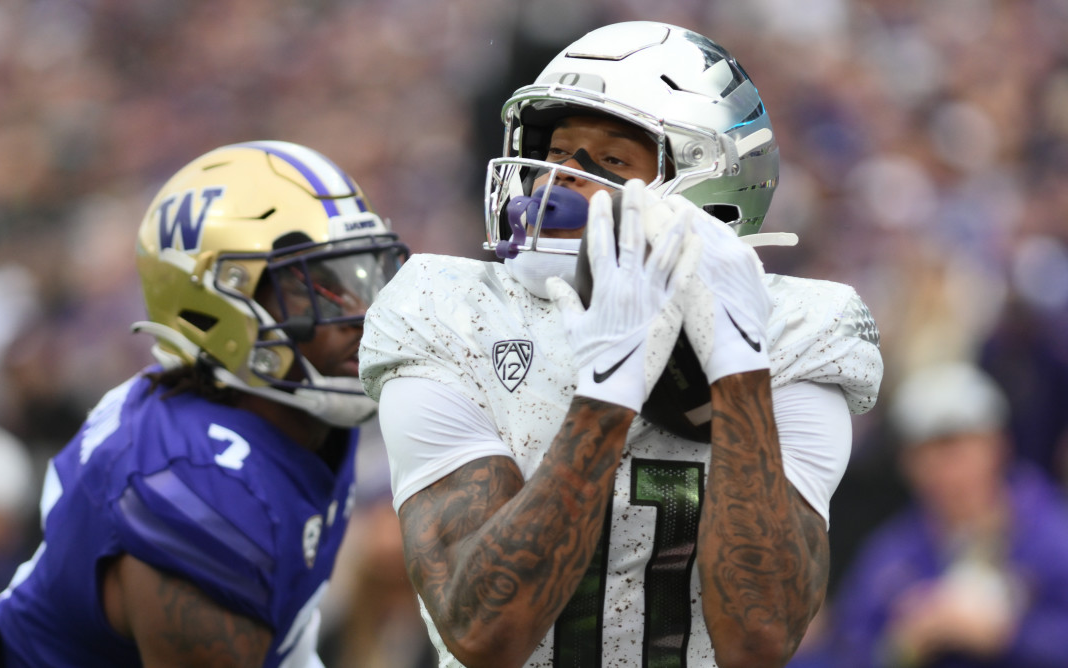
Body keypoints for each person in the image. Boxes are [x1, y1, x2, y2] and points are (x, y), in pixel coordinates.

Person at [358, 21, 884, 668]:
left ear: (712, 189)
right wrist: (607, 389)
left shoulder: (797, 331)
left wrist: (740, 365)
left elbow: (761, 638)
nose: (559, 179)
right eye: (554, 152)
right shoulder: (449, 312)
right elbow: (484, 633)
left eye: (609, 161)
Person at [0, 140, 409, 667]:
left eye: (361, 277)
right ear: (217, 304)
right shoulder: (194, 480)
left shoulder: (297, 415)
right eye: (316, 287)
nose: (362, 314)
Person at [812, 362, 1068, 668]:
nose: (945, 470)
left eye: (957, 447)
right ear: (906, 464)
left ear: (997, 445)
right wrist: (904, 643)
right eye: (926, 454)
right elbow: (847, 650)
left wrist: (1008, 635)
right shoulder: (891, 557)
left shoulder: (1054, 535)